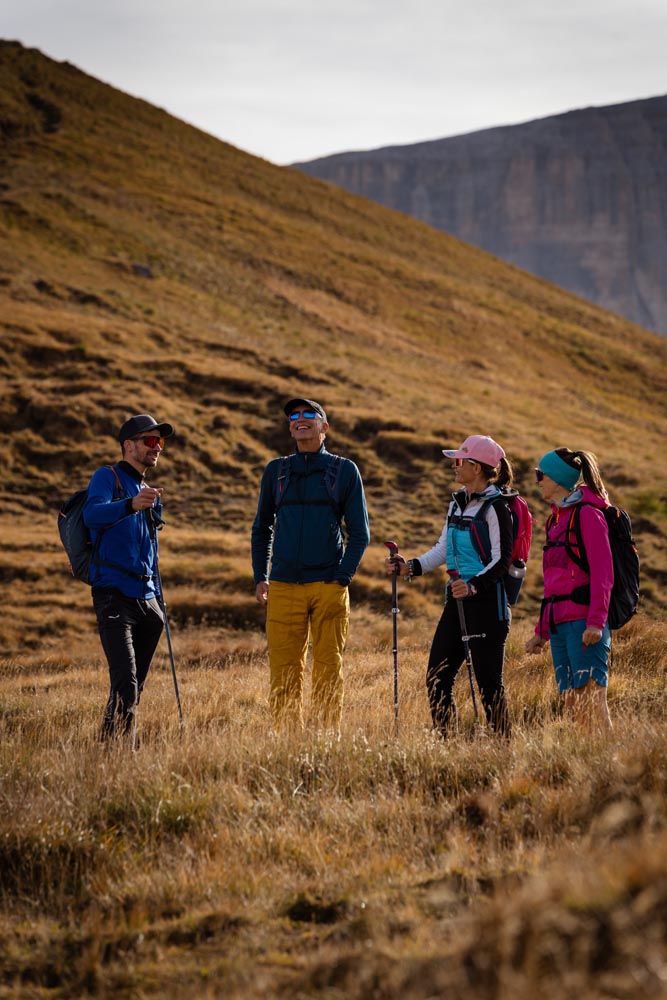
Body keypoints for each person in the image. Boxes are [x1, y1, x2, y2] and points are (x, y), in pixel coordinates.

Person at [251, 398, 370, 733]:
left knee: (329, 666)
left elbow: (360, 533)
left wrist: (342, 578)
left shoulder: (345, 470)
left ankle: (326, 736)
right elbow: (261, 528)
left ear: (324, 427)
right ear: (290, 427)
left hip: (328, 585)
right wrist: (261, 577)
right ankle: (288, 739)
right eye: (294, 416)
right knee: (284, 669)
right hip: (284, 585)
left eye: (308, 415)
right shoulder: (276, 470)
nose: (299, 419)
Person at [386, 434, 514, 737]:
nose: (454, 467)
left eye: (460, 461)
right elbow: (443, 549)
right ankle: (448, 744)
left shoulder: (498, 508)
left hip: (487, 605)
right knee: (437, 677)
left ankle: (504, 747)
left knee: (488, 684)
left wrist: (473, 586)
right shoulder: (456, 504)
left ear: (477, 468)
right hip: (456, 603)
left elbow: (502, 558)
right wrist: (411, 567)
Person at [83, 413, 174, 747]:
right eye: (150, 440)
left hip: (148, 602)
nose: (157, 447)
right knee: (126, 683)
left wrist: (160, 601)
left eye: (159, 442)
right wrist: (131, 505)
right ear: (128, 445)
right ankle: (122, 755)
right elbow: (92, 514)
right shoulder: (106, 477)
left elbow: (152, 549)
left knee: (131, 686)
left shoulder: (148, 491)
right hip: (113, 595)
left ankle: (108, 748)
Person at [524, 448, 613, 731]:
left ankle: (613, 763)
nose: (537, 481)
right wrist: (541, 631)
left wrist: (597, 621)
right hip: (560, 625)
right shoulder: (556, 520)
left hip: (584, 622)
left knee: (592, 700)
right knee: (573, 702)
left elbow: (604, 572)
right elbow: (553, 583)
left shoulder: (587, 515)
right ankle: (592, 764)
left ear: (558, 478)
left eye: (541, 474)